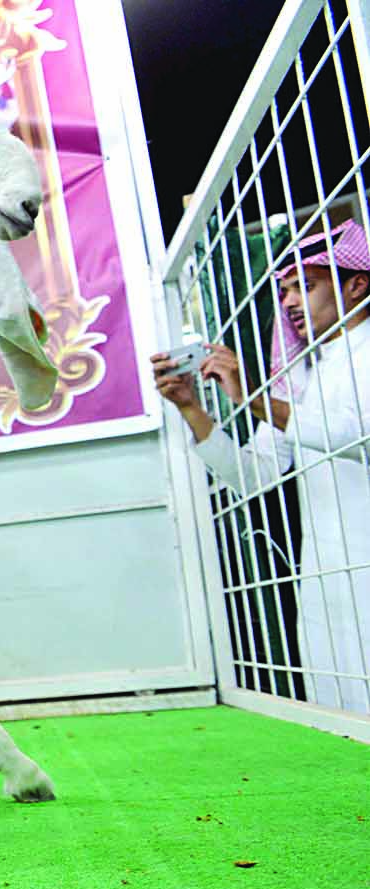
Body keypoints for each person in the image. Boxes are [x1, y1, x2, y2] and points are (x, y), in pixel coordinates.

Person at [151, 218, 370, 714]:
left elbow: (353, 435)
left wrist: (252, 397)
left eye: (306, 286)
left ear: (358, 284)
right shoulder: (303, 373)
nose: (290, 302)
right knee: (343, 718)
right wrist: (192, 409)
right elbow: (256, 476)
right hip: (325, 574)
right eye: (286, 289)